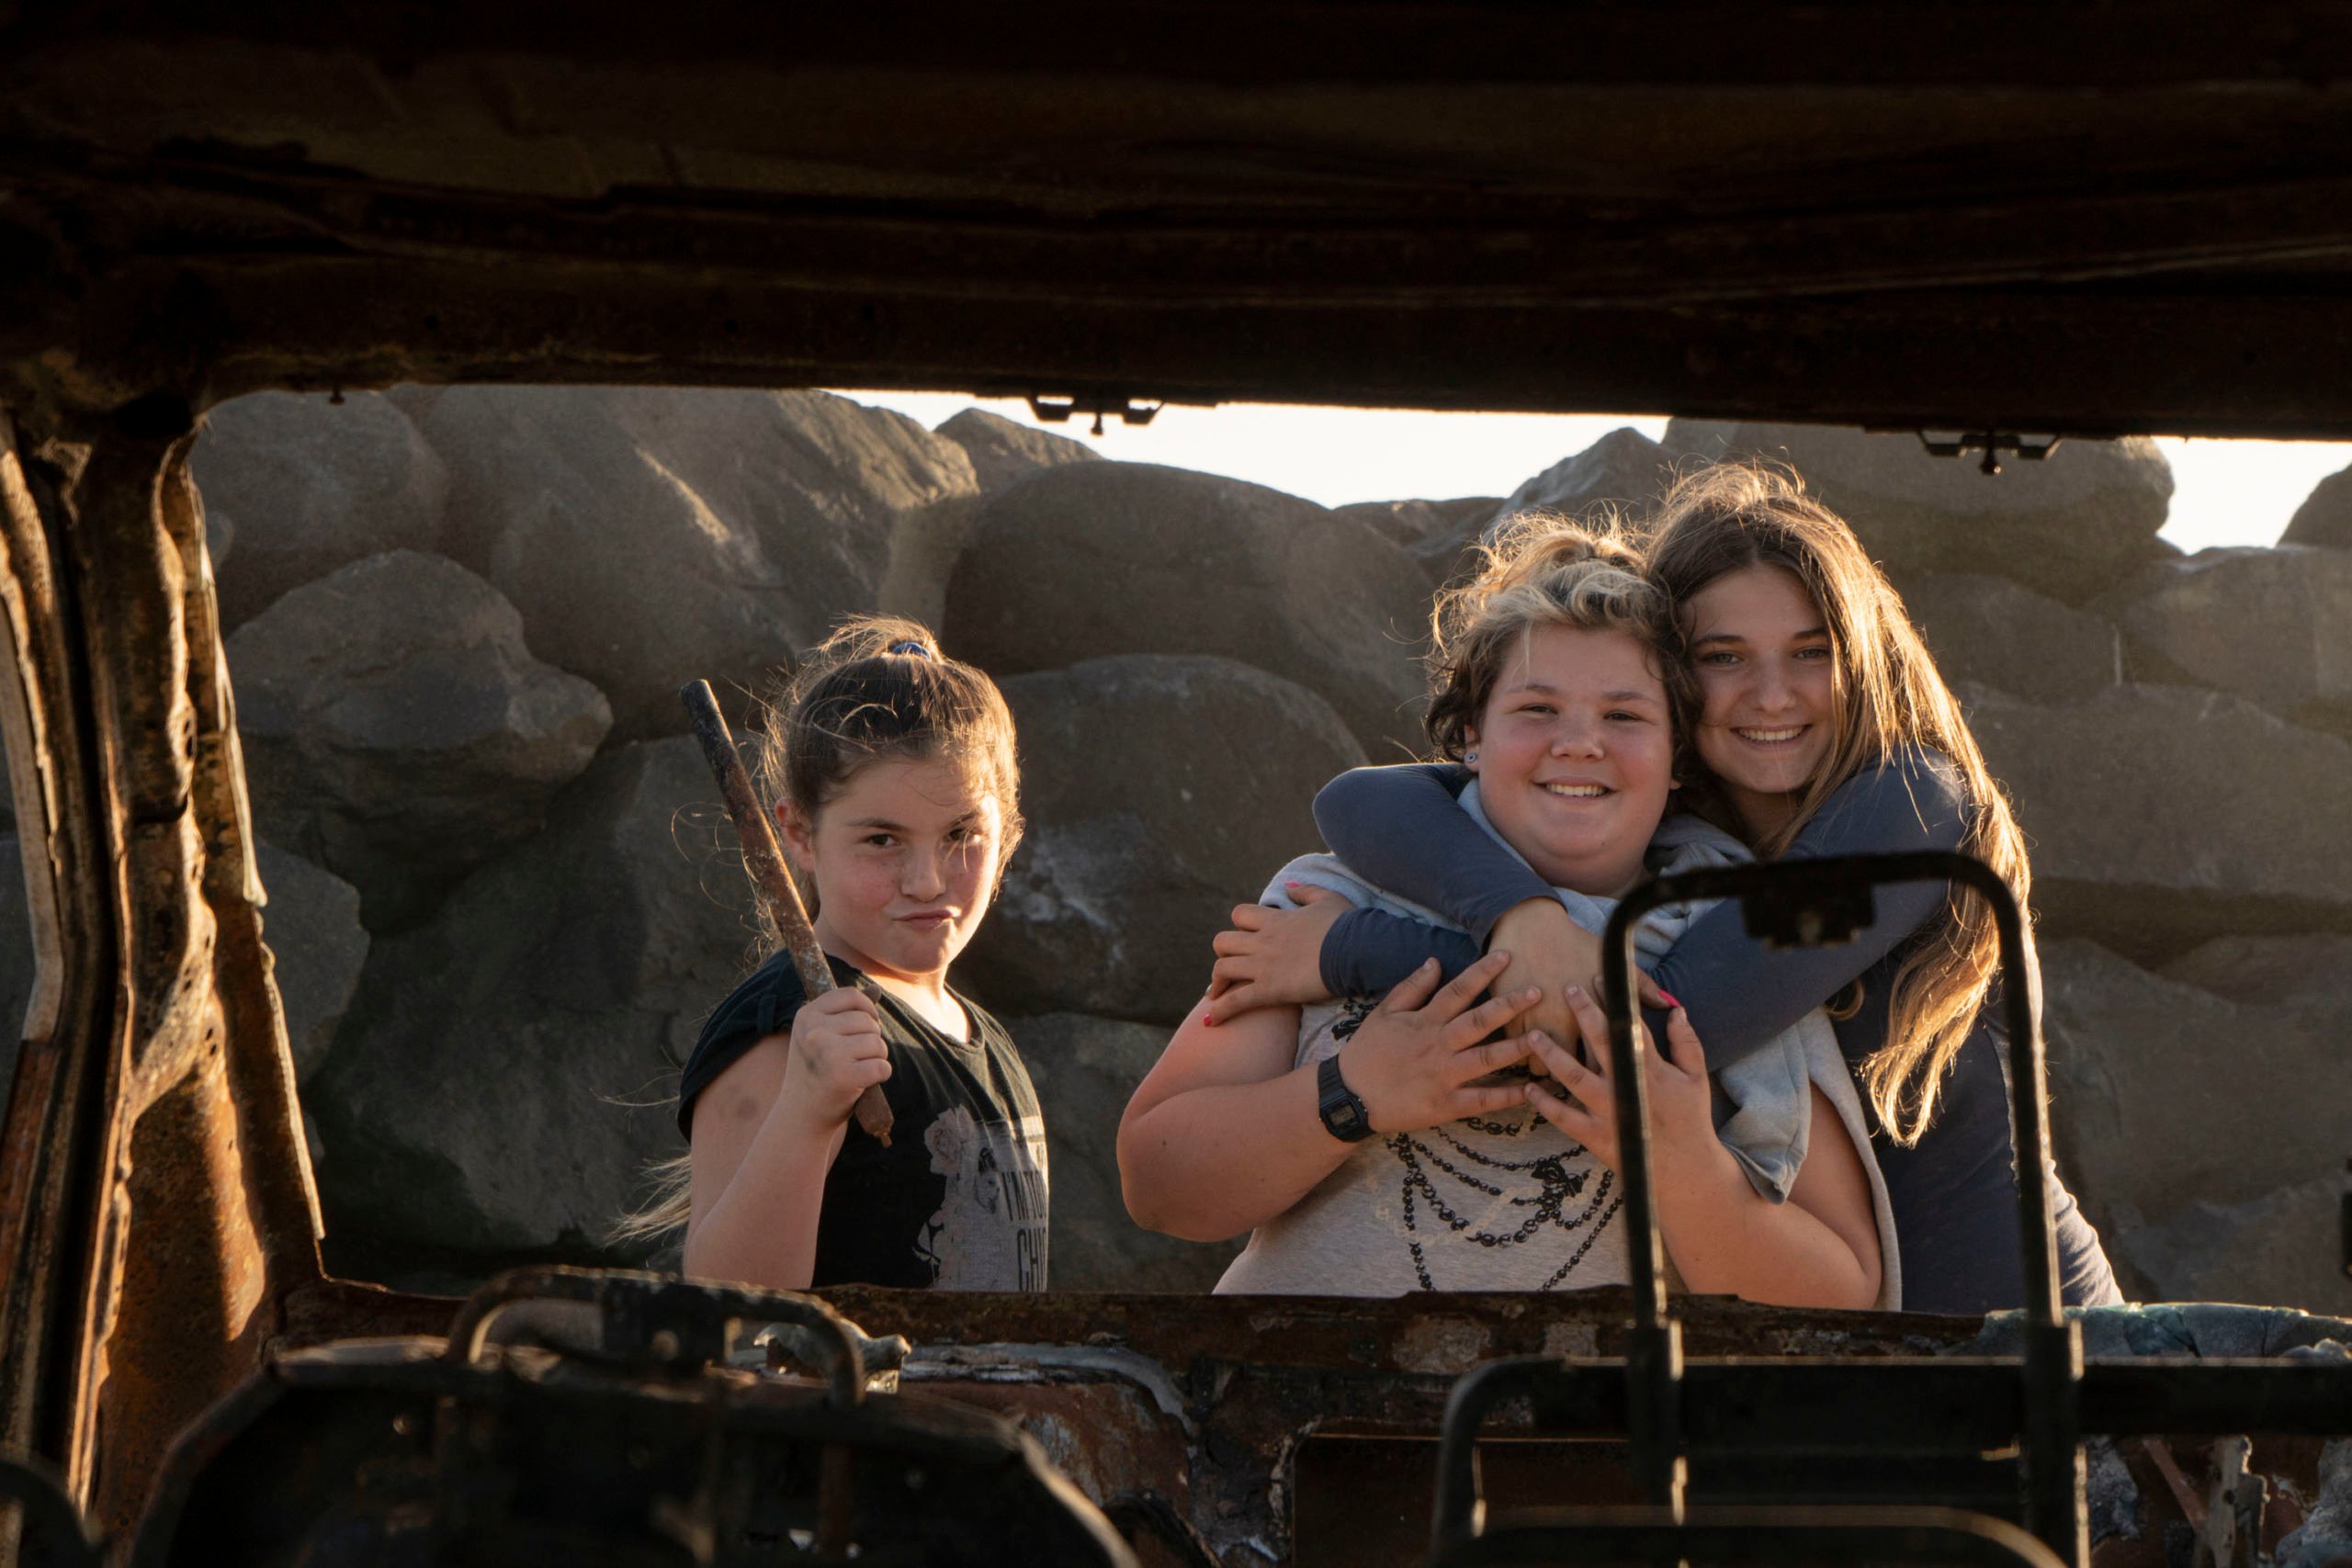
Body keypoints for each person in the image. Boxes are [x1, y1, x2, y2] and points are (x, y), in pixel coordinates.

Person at [1213, 463, 2120, 1315]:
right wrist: (1521, 914)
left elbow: (1660, 1032)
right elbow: (1366, 798)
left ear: (1865, 659)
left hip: (2039, 1365)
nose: (1771, 695)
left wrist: (1354, 951)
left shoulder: (1909, 811)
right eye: (1723, 656)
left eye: (1810, 652)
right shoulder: (1680, 833)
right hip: (1835, 1385)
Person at [1118, 522, 1894, 1308]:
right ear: (1470, 737)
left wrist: (1684, 1162)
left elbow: (1847, 1293)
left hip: (1593, 1431)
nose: (1580, 743)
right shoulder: (1332, 895)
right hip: (1300, 1415)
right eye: (1537, 708)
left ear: (1677, 761)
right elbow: (1154, 1182)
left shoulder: (1735, 936)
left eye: (1625, 717)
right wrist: (1350, 1092)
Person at [621, 616, 1046, 1292]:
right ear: (796, 833)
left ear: (1010, 832)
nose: (928, 880)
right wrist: (807, 1107)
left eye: (963, 833)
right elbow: (731, 1302)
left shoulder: (981, 1036)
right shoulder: (785, 1026)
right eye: (883, 839)